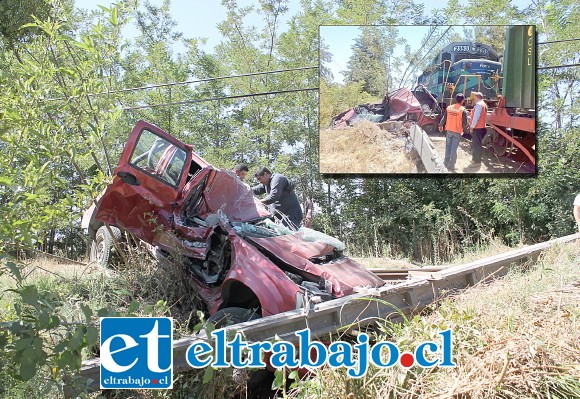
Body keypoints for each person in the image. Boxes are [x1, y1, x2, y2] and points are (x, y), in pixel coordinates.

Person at [439, 93, 468, 171]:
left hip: (449, 130)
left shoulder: (449, 108)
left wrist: (440, 125)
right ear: (462, 100)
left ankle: (445, 162)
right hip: (457, 131)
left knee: (448, 147)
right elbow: (465, 123)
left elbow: (444, 118)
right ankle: (451, 165)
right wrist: (463, 129)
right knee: (453, 149)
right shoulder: (462, 110)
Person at [469, 92, 488, 165]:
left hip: (477, 128)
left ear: (477, 97)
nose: (474, 99)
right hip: (482, 127)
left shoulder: (478, 105)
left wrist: (472, 127)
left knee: (476, 144)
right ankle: (475, 159)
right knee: (478, 144)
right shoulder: (484, 104)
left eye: (475, 98)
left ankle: (477, 161)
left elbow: (476, 117)